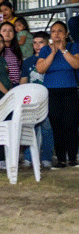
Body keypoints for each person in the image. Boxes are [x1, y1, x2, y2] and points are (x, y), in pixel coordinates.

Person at [35, 21, 79, 167]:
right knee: (56, 124)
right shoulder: (45, 50)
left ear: (66, 34)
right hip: (51, 91)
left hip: (70, 89)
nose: (56, 34)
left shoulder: (73, 46)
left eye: (60, 31)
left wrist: (63, 50)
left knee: (70, 123)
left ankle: (72, 157)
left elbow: (76, 64)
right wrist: (53, 53)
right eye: (53, 31)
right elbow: (40, 69)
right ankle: (60, 159)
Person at [20, 30, 55, 168]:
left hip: (48, 98)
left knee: (47, 128)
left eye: (41, 42)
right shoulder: (28, 61)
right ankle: (28, 158)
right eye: (35, 43)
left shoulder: (51, 59)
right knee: (30, 128)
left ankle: (46, 158)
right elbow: (23, 81)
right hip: (32, 100)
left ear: (48, 43)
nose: (37, 45)